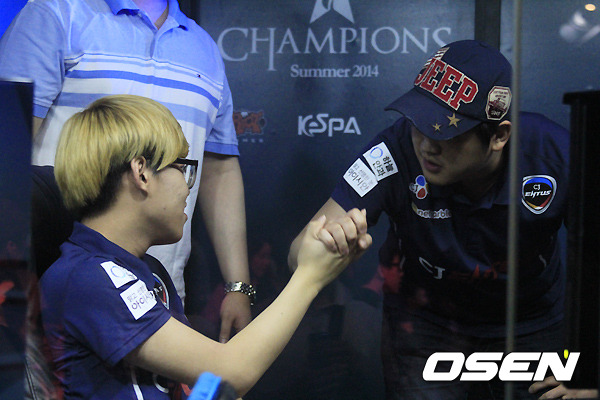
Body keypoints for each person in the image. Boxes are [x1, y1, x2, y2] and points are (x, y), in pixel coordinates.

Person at [288, 40, 569, 399]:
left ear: (499, 136)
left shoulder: (554, 155)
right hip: (426, 326)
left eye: (446, 132)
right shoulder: (394, 150)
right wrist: (326, 243)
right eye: (420, 122)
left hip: (531, 322)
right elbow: (297, 253)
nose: (426, 145)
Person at [40, 94, 372, 399]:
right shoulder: (88, 277)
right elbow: (229, 371)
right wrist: (310, 277)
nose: (189, 188)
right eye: (180, 167)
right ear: (141, 173)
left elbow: (206, 384)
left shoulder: (147, 272)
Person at [0, 0, 251, 342]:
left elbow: (218, 168)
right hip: (50, 295)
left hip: (158, 293)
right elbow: (7, 153)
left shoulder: (204, 48)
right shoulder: (56, 13)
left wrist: (238, 286)